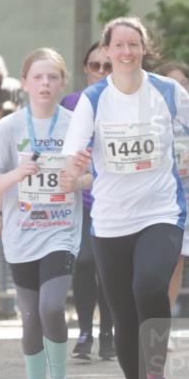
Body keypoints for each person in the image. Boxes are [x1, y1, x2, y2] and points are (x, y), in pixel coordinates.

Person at [62, 16, 189, 379]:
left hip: (160, 212)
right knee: (124, 316)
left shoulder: (166, 90)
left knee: (148, 286)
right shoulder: (93, 99)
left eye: (133, 44)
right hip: (110, 220)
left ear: (144, 48)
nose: (126, 52)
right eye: (118, 45)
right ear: (106, 51)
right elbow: (69, 164)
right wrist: (75, 164)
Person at [0, 48, 86, 379]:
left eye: (52, 77)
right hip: (21, 234)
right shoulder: (9, 128)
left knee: (51, 307)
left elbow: (99, 174)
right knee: (30, 317)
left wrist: (78, 180)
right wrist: (18, 174)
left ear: (62, 82)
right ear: (24, 83)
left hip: (60, 231)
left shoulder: (75, 124)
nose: (45, 84)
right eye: (38, 77)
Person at [63, 42, 115, 360]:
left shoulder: (125, 102)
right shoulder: (71, 103)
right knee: (83, 262)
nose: (101, 71)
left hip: (114, 199)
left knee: (108, 268)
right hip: (81, 200)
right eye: (95, 65)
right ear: (86, 68)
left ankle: (108, 331)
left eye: (107, 66)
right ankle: (84, 331)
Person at [155, 61, 189, 314]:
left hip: (186, 206)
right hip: (153, 204)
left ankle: (162, 323)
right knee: (151, 268)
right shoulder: (149, 118)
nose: (179, 88)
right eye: (173, 83)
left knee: (176, 265)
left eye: (184, 83)